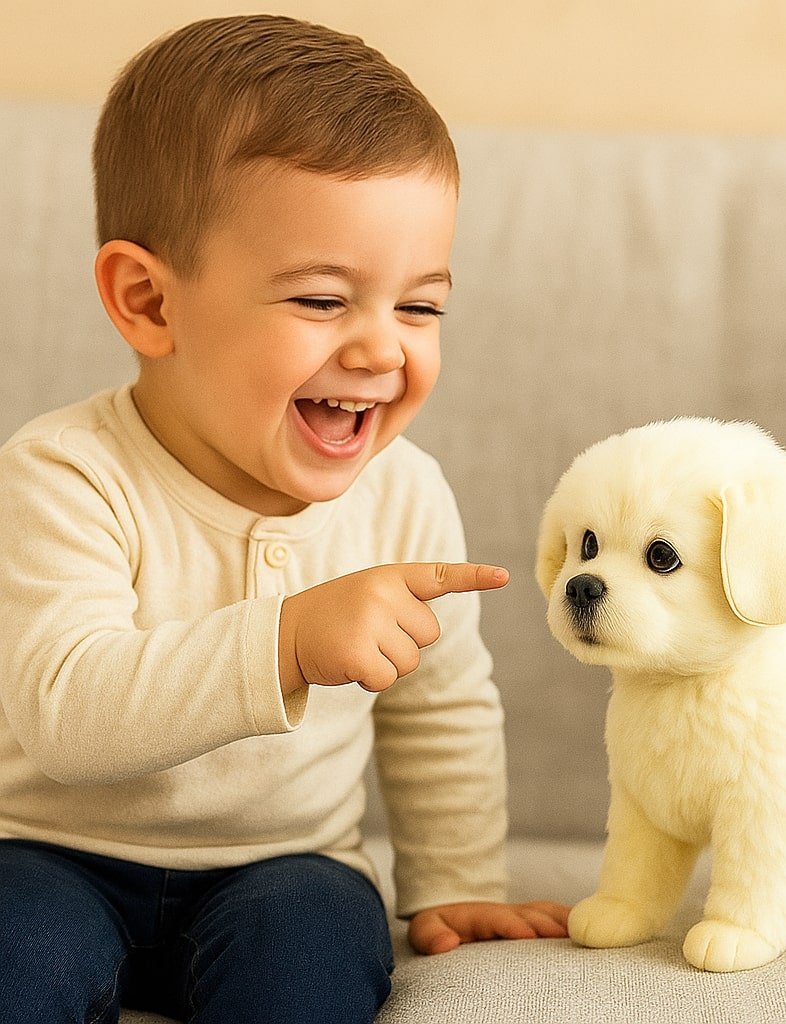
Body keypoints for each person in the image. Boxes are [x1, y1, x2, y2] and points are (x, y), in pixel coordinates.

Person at [0, 15, 569, 1023]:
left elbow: (439, 705)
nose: (382, 350)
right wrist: (290, 639)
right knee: (19, 957)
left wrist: (453, 879)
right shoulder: (64, 477)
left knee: (307, 959)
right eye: (320, 299)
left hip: (283, 866)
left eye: (420, 308)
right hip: (48, 854)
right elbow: (69, 714)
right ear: (149, 302)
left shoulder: (404, 494)